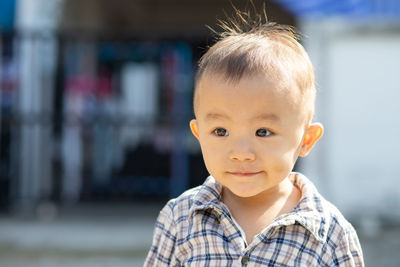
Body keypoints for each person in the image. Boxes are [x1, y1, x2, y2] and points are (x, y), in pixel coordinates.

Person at [144, 8, 364, 267]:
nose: (241, 152)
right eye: (221, 132)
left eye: (263, 132)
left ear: (306, 139)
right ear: (199, 134)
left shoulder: (331, 234)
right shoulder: (180, 219)